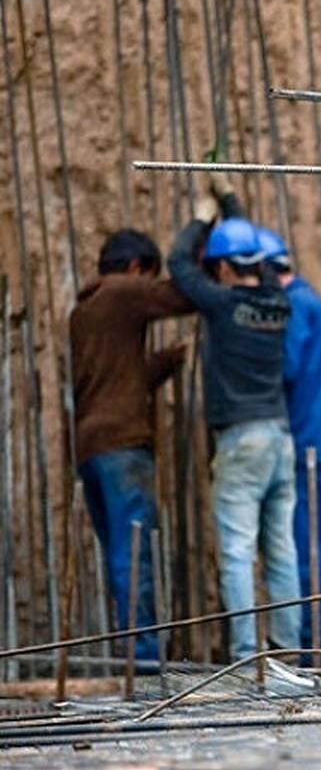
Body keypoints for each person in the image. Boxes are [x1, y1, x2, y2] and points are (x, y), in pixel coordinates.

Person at [167, 173, 300, 661]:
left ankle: (246, 655)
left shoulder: (222, 306)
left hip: (242, 440)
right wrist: (230, 201)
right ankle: (286, 649)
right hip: (280, 438)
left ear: (222, 265)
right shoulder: (277, 301)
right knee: (282, 550)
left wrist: (203, 216)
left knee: (238, 551)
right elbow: (253, 255)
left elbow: (179, 264)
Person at [70, 229, 192, 664]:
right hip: (122, 445)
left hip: (90, 447)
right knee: (134, 553)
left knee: (119, 553)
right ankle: (141, 659)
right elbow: (183, 296)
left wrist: (166, 362)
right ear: (137, 268)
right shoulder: (123, 292)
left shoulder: (84, 309)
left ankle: (132, 652)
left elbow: (118, 378)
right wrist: (193, 247)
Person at [256, 227, 321, 657]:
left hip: (307, 447)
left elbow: (286, 368)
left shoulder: (293, 308)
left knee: (306, 552)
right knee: (320, 548)